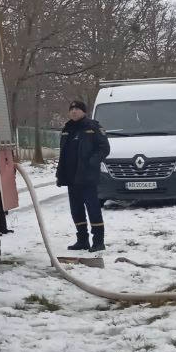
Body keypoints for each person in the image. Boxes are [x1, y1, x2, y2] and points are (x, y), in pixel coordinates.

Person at [55, 100, 111, 251]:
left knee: (93, 209)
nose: (74, 111)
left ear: (84, 111)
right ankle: (82, 240)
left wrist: (92, 161)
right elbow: (63, 153)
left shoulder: (93, 127)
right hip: (71, 178)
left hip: (87, 178)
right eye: (71, 109)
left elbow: (104, 148)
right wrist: (60, 173)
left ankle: (98, 241)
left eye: (77, 109)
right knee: (76, 210)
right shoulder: (67, 128)